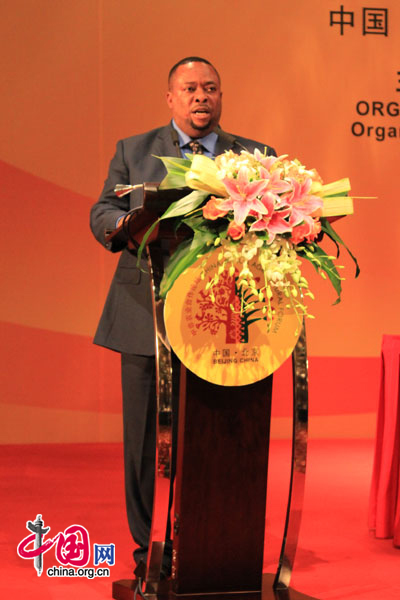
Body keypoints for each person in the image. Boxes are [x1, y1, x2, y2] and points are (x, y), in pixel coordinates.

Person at [90, 56, 276, 575]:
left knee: (222, 435)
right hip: (143, 314)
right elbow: (103, 211)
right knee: (148, 441)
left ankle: (217, 545)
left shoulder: (256, 156)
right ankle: (149, 550)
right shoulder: (135, 150)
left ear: (221, 97)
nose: (201, 97)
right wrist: (129, 220)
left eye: (210, 88)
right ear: (170, 98)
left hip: (225, 319)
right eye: (190, 88)